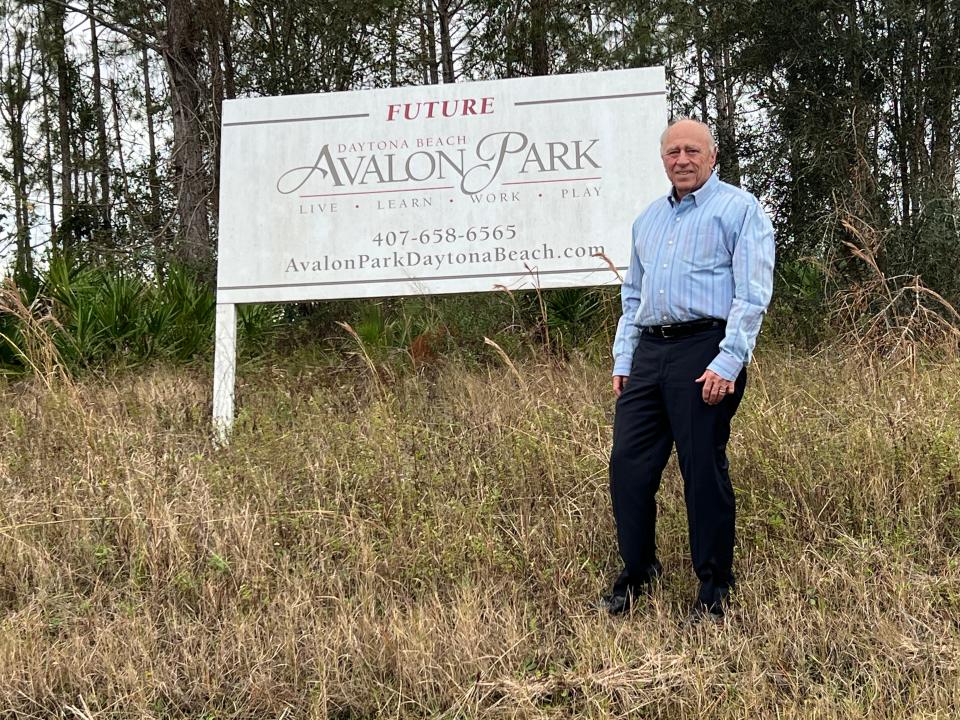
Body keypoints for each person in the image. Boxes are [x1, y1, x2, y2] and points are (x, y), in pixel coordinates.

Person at [602, 118, 775, 621]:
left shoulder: (739, 210)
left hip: (706, 350)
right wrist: (625, 358)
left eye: (692, 151)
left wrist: (729, 360)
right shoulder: (648, 221)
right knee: (628, 469)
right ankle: (638, 573)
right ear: (662, 159)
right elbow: (632, 295)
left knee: (701, 469)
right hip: (650, 354)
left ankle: (715, 586)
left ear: (712, 155)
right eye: (673, 151)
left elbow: (752, 293)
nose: (682, 159)